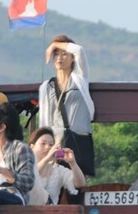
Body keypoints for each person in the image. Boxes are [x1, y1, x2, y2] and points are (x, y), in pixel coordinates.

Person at [38, 35, 95, 176]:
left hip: (78, 140)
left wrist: (54, 44)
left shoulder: (80, 78)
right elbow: (44, 122)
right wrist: (45, 149)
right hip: (57, 143)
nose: (59, 58)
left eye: (64, 54)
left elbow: (79, 50)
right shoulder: (47, 86)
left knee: (77, 186)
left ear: (72, 58)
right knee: (56, 183)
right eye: (56, 54)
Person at [27, 127, 86, 205]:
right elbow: (29, 177)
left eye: (51, 144)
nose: (48, 147)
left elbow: (80, 183)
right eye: (43, 143)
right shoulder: (24, 165)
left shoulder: (58, 170)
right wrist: (47, 159)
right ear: (32, 147)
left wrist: (73, 163)